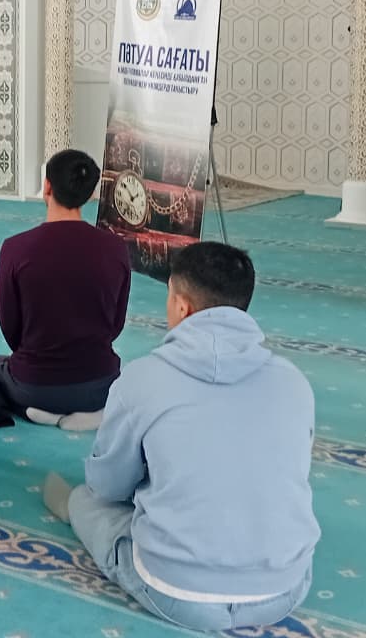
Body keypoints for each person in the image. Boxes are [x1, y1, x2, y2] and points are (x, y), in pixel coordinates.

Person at [43, 242, 319, 633]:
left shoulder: (142, 379)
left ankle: (75, 510)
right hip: (284, 589)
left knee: (89, 502)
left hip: (177, 593)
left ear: (182, 306)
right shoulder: (293, 382)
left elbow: (107, 487)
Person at [0, 149, 131, 430]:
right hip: (100, 385)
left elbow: (10, 328)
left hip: (33, 387)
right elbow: (115, 324)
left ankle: (44, 414)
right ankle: (92, 413)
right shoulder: (116, 249)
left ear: (47, 186)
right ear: (90, 195)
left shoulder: (16, 248)